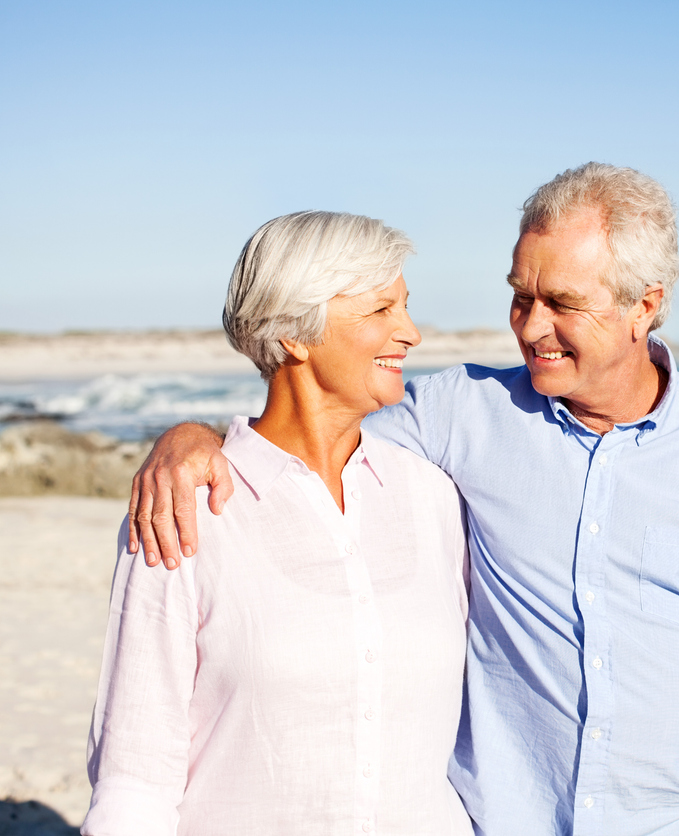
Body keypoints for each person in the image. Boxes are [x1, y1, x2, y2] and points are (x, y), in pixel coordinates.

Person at [130, 164, 679, 836]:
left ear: (644, 305)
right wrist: (193, 438)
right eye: (522, 296)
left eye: (564, 304)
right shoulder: (459, 414)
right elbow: (307, 427)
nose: (531, 327)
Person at [85, 211, 473, 835]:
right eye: (380, 311)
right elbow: (134, 775)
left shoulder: (433, 497)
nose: (411, 332)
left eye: (405, 306)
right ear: (295, 334)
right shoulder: (183, 509)